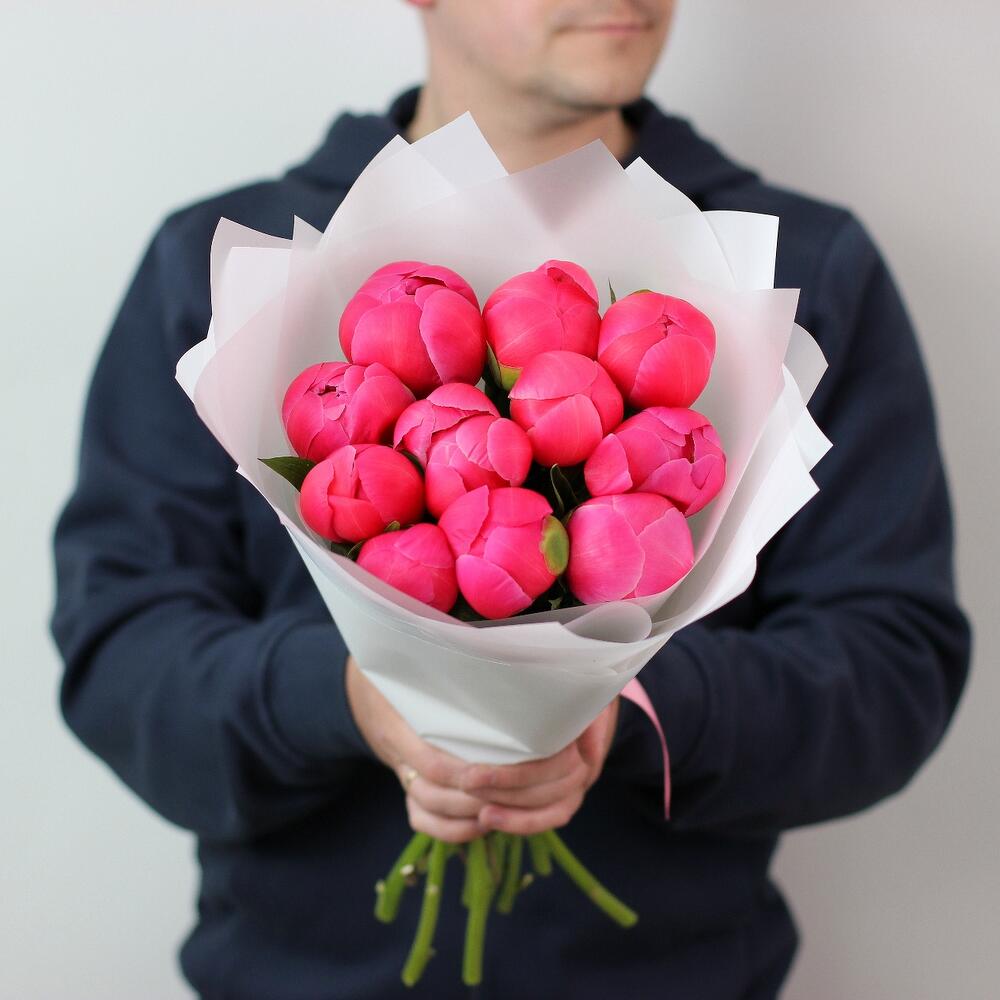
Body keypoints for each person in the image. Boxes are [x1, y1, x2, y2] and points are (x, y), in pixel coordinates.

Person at [50, 1, 971, 997]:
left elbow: (892, 664)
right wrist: (349, 696)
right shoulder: (226, 270)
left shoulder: (803, 269)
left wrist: (628, 710)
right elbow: (120, 651)